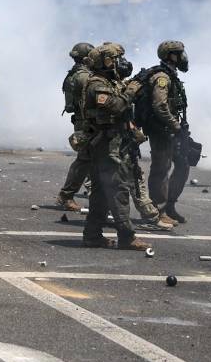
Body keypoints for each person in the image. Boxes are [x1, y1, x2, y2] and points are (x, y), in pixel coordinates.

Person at [80, 42, 150, 251]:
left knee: (101, 192)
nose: (120, 63)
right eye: (115, 59)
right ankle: (127, 237)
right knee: (118, 190)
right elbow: (116, 106)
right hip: (106, 146)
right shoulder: (97, 85)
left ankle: (92, 235)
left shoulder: (110, 82)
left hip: (111, 144)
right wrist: (131, 91)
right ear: (105, 62)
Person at [143, 40, 193, 225]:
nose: (182, 57)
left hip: (171, 129)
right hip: (161, 130)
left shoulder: (171, 75)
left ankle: (169, 206)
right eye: (179, 54)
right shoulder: (162, 77)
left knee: (183, 165)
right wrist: (175, 126)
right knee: (161, 169)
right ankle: (158, 210)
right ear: (170, 55)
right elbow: (160, 106)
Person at [54, 42, 94, 211]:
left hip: (82, 120)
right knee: (85, 159)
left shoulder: (74, 74)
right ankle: (66, 196)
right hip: (87, 122)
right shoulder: (84, 77)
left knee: (90, 159)